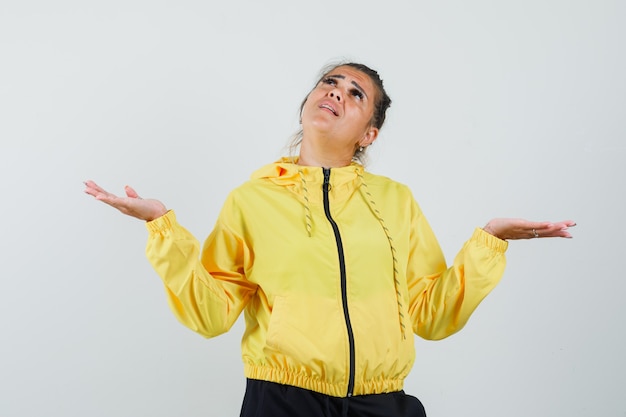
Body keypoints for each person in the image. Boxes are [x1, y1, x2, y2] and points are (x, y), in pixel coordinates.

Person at [84, 62, 575, 417]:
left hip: (383, 403)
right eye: (330, 82)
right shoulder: (251, 201)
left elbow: (431, 314)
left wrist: (489, 242)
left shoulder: (396, 201)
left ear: (370, 135)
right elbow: (211, 315)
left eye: (356, 93)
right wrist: (162, 227)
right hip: (283, 400)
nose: (337, 92)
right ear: (307, 104)